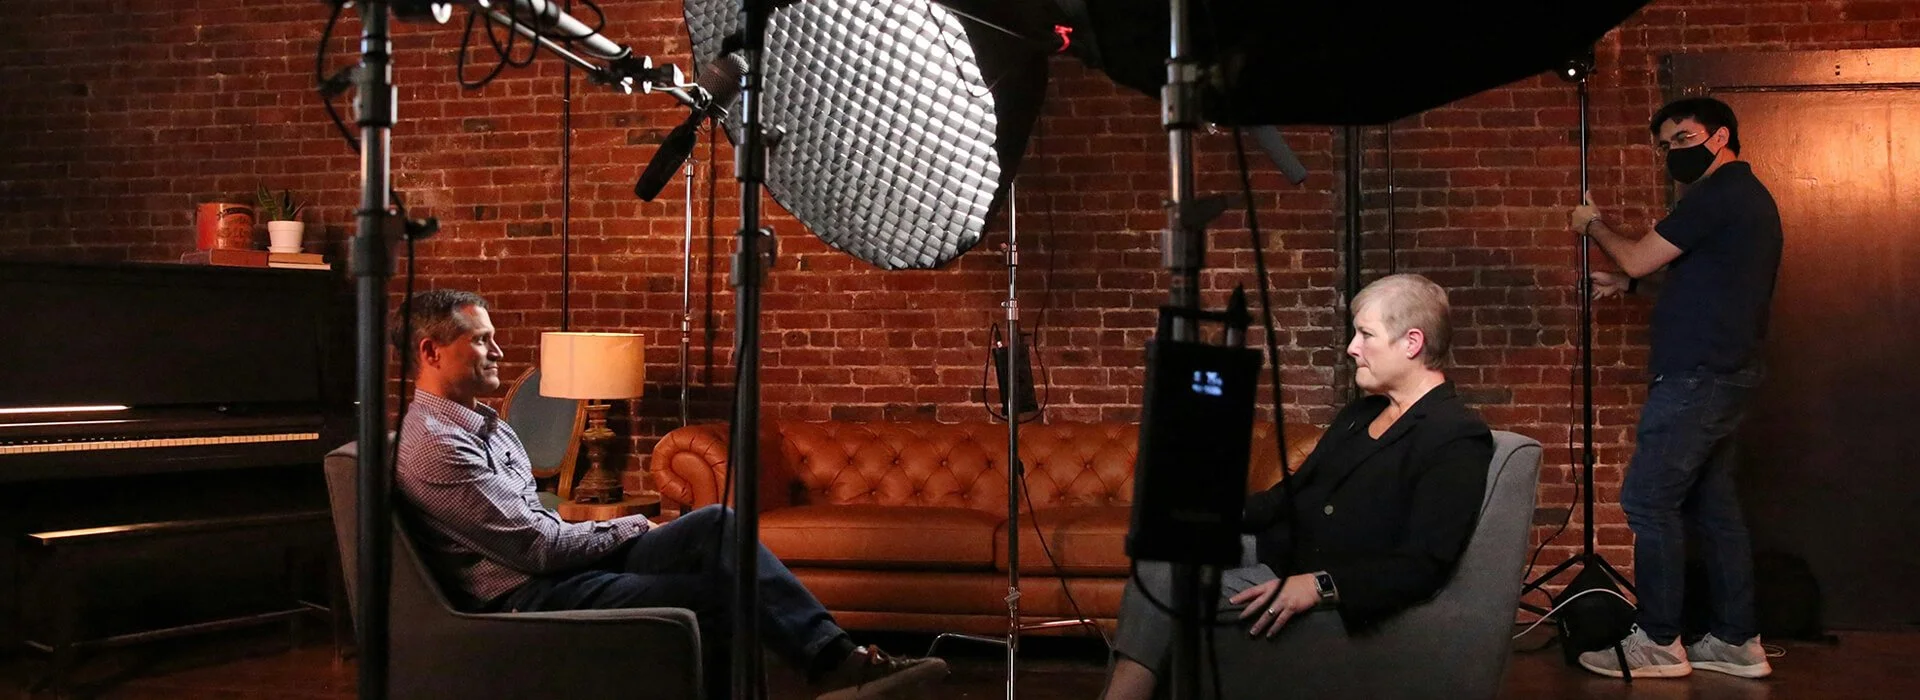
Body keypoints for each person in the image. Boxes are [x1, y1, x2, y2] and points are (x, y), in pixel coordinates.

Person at [389, 289, 947, 699]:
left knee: (716, 525)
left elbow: (541, 529)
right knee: (712, 592)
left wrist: (612, 531)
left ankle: (835, 660)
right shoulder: (435, 444)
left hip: (557, 569)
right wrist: (632, 525)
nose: (499, 351)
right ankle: (837, 668)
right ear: (431, 352)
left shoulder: (482, 422)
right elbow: (534, 549)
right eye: (480, 340)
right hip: (527, 592)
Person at [1100, 274, 1494, 700]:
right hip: (1278, 552)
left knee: (1171, 585)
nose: (1351, 348)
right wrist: (1208, 512)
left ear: (1412, 343)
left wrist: (1319, 584)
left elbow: (1424, 563)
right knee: (1166, 545)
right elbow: (1289, 496)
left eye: (1365, 334)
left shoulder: (1455, 435)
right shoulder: (1361, 414)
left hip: (1325, 583)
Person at [1568, 96, 1782, 679]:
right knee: (1713, 507)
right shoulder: (1743, 200)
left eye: (1683, 140)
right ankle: (1737, 642)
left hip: (1697, 377)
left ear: (1721, 138)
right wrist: (1630, 289)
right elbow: (1714, 287)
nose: (1671, 154)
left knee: (1648, 500)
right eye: (1664, 145)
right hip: (1724, 373)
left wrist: (1594, 227)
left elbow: (1639, 257)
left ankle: (1659, 643)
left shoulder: (1719, 195)